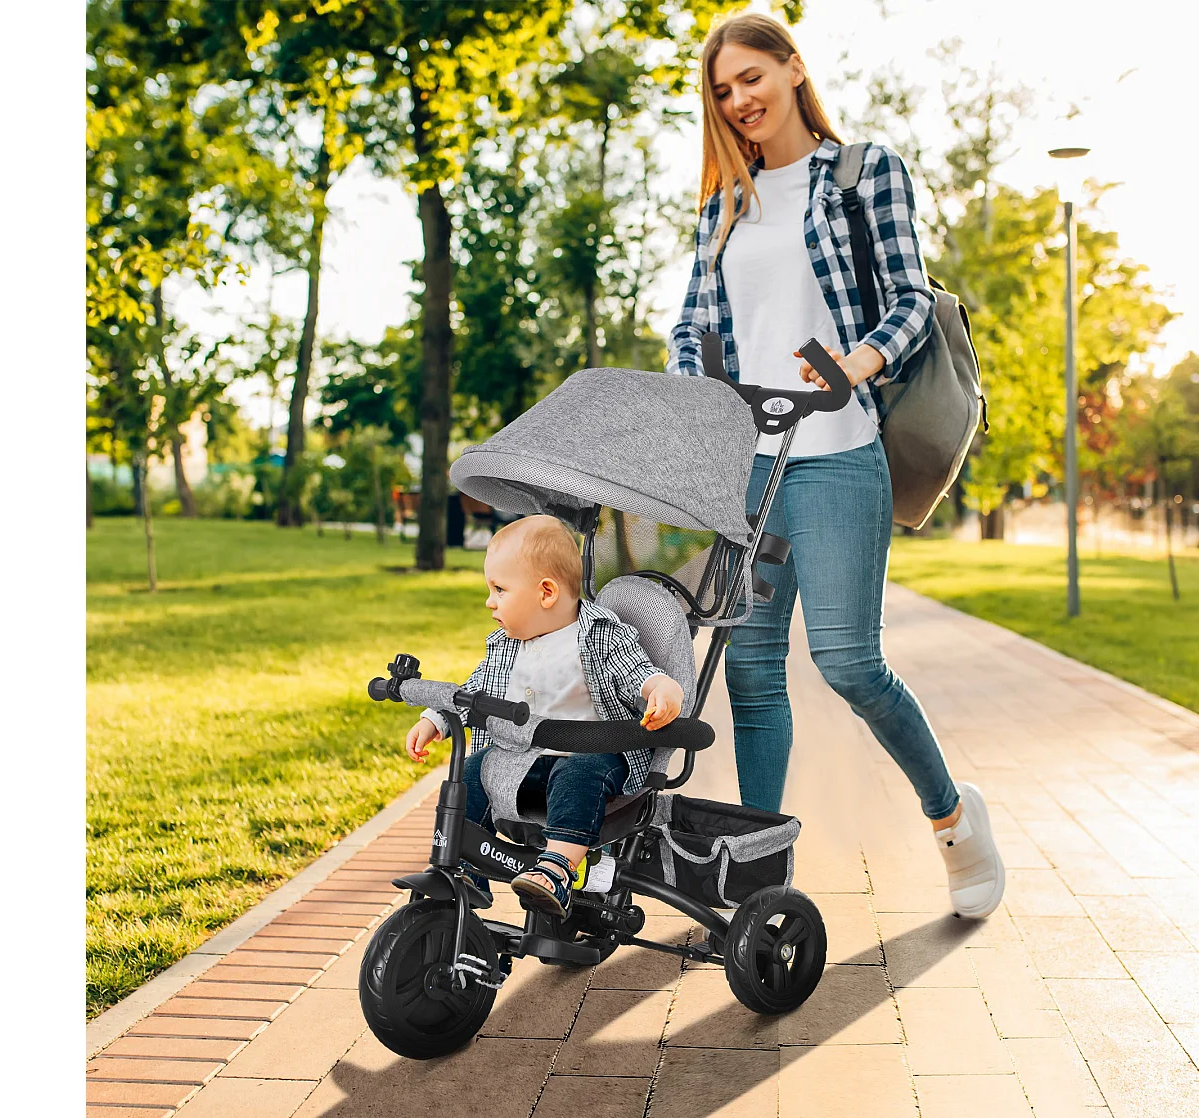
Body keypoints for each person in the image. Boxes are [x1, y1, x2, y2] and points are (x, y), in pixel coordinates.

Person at [666, 12, 1004, 919]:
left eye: (750, 78)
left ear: (791, 68)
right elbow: (690, 325)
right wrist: (691, 395)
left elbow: (908, 299)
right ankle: (757, 878)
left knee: (851, 662)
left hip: (840, 449)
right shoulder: (722, 206)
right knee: (751, 668)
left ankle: (952, 817)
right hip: (752, 463)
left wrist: (858, 360)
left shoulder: (864, 174)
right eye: (723, 90)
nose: (739, 101)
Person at [405, 514, 684, 917]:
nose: (489, 601)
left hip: (589, 759)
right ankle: (464, 871)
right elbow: (475, 692)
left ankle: (558, 867)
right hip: (522, 762)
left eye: (499, 589)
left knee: (579, 774)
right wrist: (436, 719)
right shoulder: (506, 644)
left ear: (546, 593)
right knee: (472, 773)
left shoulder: (599, 636)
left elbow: (636, 671)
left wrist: (661, 689)